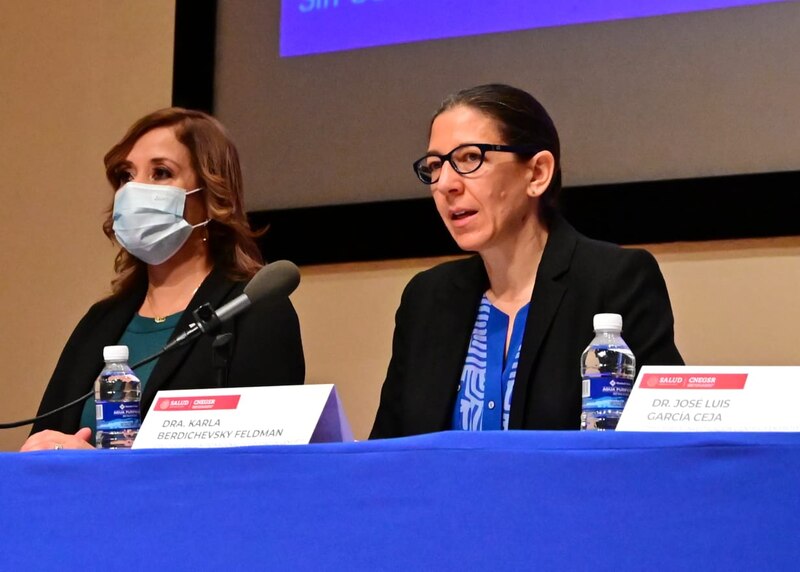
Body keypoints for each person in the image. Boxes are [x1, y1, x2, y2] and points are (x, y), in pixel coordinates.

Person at [370, 84, 683, 438]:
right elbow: (387, 450)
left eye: (470, 158)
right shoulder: (427, 298)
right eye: (434, 166)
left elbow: (661, 443)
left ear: (537, 174)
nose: (445, 184)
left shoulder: (615, 282)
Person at [21, 108, 305, 451]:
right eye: (127, 176)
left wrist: (102, 467)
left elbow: (263, 467)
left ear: (212, 195)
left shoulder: (255, 312)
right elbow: (43, 443)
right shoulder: (99, 322)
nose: (135, 189)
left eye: (160, 173)